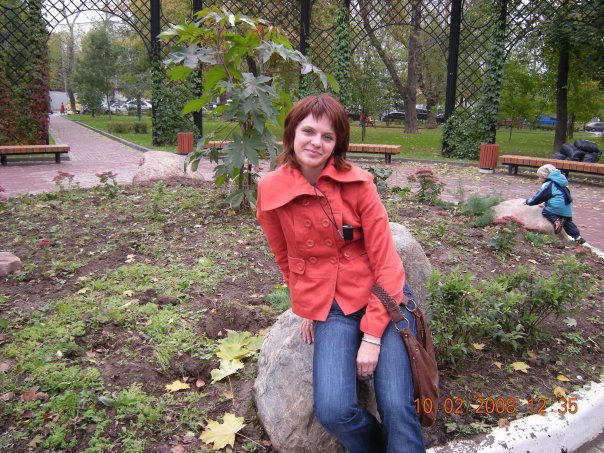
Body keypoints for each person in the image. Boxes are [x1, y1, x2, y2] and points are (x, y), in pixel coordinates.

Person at [256, 94, 426, 452]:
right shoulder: (271, 189)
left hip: (384, 298)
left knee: (398, 407)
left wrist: (373, 337)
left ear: (338, 143)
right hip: (333, 309)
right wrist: (307, 305)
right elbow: (285, 257)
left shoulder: (359, 184)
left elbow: (387, 264)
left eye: (327, 136)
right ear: (292, 132)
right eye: (308, 131)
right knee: (334, 410)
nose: (316, 142)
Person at [526, 164, 586, 245]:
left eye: (540, 177)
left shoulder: (549, 184)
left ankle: (556, 221)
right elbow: (556, 196)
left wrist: (529, 202)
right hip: (567, 208)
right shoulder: (561, 183)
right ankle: (577, 237)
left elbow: (540, 197)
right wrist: (545, 203)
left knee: (546, 212)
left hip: (556, 207)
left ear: (545, 176)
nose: (539, 179)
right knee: (568, 223)